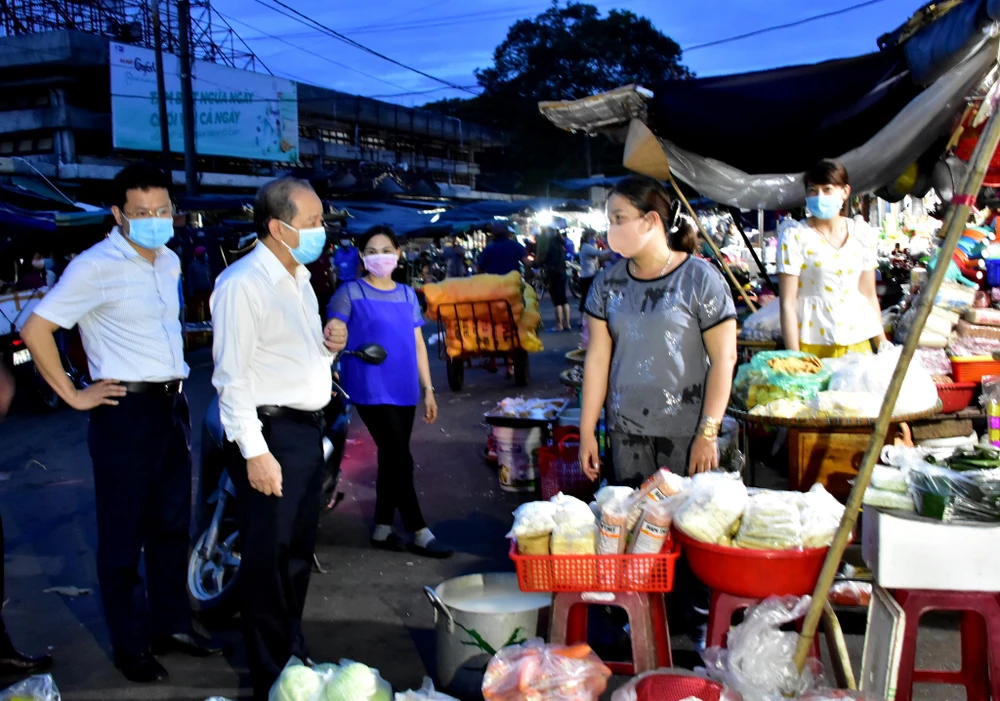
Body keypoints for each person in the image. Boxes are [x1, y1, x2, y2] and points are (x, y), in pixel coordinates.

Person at [21, 162, 221, 684]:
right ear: (117, 214)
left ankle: (172, 626)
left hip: (169, 406)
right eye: (140, 213)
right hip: (122, 412)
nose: (154, 220)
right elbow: (36, 327)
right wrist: (72, 393)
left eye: (162, 211)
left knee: (172, 525)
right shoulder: (94, 265)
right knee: (122, 534)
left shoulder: (171, 261)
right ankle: (132, 646)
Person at [211, 177, 347, 699]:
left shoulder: (300, 278)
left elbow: (295, 357)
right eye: (312, 223)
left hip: (305, 431)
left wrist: (330, 345)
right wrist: (256, 453)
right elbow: (231, 377)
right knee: (267, 559)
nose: (321, 231)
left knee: (294, 552)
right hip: (270, 432)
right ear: (277, 227)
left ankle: (291, 651)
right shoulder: (242, 283)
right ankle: (272, 674)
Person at [579, 175, 738, 484]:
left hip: (686, 432)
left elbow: (725, 358)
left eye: (619, 219)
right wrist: (587, 432)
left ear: (651, 220)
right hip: (625, 431)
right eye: (609, 221)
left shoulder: (700, 279)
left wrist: (708, 432)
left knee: (685, 524)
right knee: (631, 522)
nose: (611, 230)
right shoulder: (606, 284)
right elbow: (597, 359)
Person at [327, 225, 453, 559]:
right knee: (400, 456)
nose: (378, 256)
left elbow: (418, 346)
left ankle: (382, 528)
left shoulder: (408, 295)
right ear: (362, 257)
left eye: (385, 249)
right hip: (368, 386)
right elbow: (335, 326)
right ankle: (418, 530)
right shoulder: (350, 292)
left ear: (397, 253)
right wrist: (335, 331)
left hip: (405, 387)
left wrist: (428, 389)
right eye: (370, 251)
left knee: (392, 455)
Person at [778, 159, 886, 358]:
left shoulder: (861, 234)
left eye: (827, 189)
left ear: (845, 192)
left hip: (857, 341)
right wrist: (795, 357)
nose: (819, 197)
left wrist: (883, 345)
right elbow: (787, 303)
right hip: (812, 344)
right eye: (812, 191)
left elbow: (868, 295)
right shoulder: (794, 236)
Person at [536, 227, 571, 331]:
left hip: (553, 273)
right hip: (562, 272)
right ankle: (567, 324)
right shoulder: (561, 244)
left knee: (556, 300)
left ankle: (559, 325)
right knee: (564, 298)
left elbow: (542, 259)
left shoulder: (549, 244)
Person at [578, 229, 603, 318]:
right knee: (585, 298)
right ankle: (581, 319)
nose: (595, 239)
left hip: (592, 274)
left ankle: (585, 318)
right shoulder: (586, 247)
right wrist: (611, 251)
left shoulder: (591, 245)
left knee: (589, 298)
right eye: (594, 237)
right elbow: (599, 253)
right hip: (587, 276)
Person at [187, 245, 214, 321]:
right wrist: (191, 291)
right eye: (204, 253)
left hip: (207, 289)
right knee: (195, 309)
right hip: (197, 290)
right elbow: (190, 279)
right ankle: (195, 321)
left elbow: (210, 276)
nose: (206, 255)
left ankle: (208, 319)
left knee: (208, 307)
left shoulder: (207, 264)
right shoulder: (193, 265)